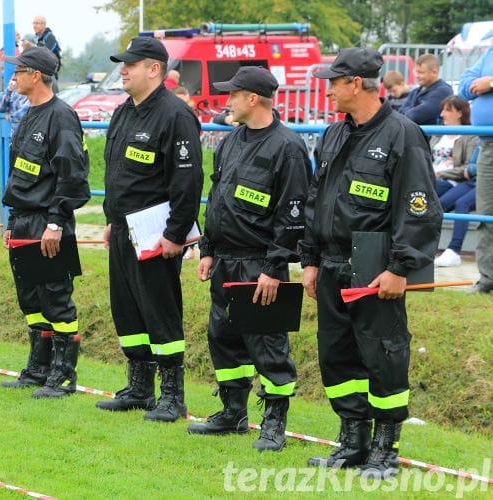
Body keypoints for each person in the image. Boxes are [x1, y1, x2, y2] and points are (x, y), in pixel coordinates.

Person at [300, 48, 442, 479]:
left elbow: (418, 209)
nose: (328, 90)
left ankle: (385, 448)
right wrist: (309, 259)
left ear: (355, 84)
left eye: (333, 82)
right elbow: (315, 201)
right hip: (331, 266)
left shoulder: (403, 135)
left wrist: (400, 267)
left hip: (376, 267)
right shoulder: (332, 135)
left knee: (383, 356)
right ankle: (352, 442)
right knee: (337, 357)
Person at [185, 67, 310, 450]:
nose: (227, 101)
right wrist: (208, 250)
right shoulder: (230, 141)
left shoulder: (287, 147)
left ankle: (274, 422)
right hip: (224, 259)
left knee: (267, 344)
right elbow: (218, 199)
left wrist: (275, 268)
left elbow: (293, 214)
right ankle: (232, 411)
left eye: (233, 95)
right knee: (223, 337)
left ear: (252, 98)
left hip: (261, 264)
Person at [97, 37, 203, 422]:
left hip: (156, 234)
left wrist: (175, 234)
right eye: (122, 64)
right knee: (127, 310)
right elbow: (116, 173)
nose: (123, 70)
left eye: (130, 64)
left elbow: (187, 182)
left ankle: (172, 395)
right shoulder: (124, 112)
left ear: (154, 68)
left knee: (160, 311)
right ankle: (140, 387)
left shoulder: (175, 115)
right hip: (123, 229)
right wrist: (111, 220)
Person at [0, 47, 90, 398]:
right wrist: (12, 220)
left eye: (19, 71)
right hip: (23, 222)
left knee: (56, 299)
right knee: (31, 299)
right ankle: (38, 369)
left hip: (48, 225)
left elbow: (72, 177)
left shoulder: (62, 117)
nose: (14, 77)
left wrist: (55, 222)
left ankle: (63, 375)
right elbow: (22, 175)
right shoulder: (28, 114)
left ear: (36, 75)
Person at [459, 45, 493, 294]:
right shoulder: (490, 51)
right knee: (486, 213)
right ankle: (488, 278)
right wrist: (478, 83)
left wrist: (490, 82)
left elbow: (481, 84)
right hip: (487, 145)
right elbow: (464, 87)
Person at [436, 141, 480, 267]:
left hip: (485, 181)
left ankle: (454, 250)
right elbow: (472, 163)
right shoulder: (482, 138)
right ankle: (427, 247)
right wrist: (472, 169)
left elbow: (473, 167)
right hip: (472, 180)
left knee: (462, 203)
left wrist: (472, 169)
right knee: (440, 204)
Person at [430, 96, 478, 197]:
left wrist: (440, 174)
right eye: (442, 110)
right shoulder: (437, 134)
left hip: (450, 181)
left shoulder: (470, 136)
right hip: (428, 178)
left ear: (460, 113)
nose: (442, 114)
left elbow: (467, 167)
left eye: (447, 110)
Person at [398, 54, 453, 125]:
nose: (417, 76)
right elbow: (400, 112)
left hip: (432, 135)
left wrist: (409, 111)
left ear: (434, 72)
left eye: (421, 72)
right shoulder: (415, 92)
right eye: (416, 72)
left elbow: (416, 115)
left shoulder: (443, 91)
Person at [33, 16, 61, 89]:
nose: (34, 26)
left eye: (37, 23)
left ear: (44, 25)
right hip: (39, 73)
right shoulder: (36, 38)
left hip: (49, 75)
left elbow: (45, 54)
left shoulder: (50, 37)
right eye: (33, 23)